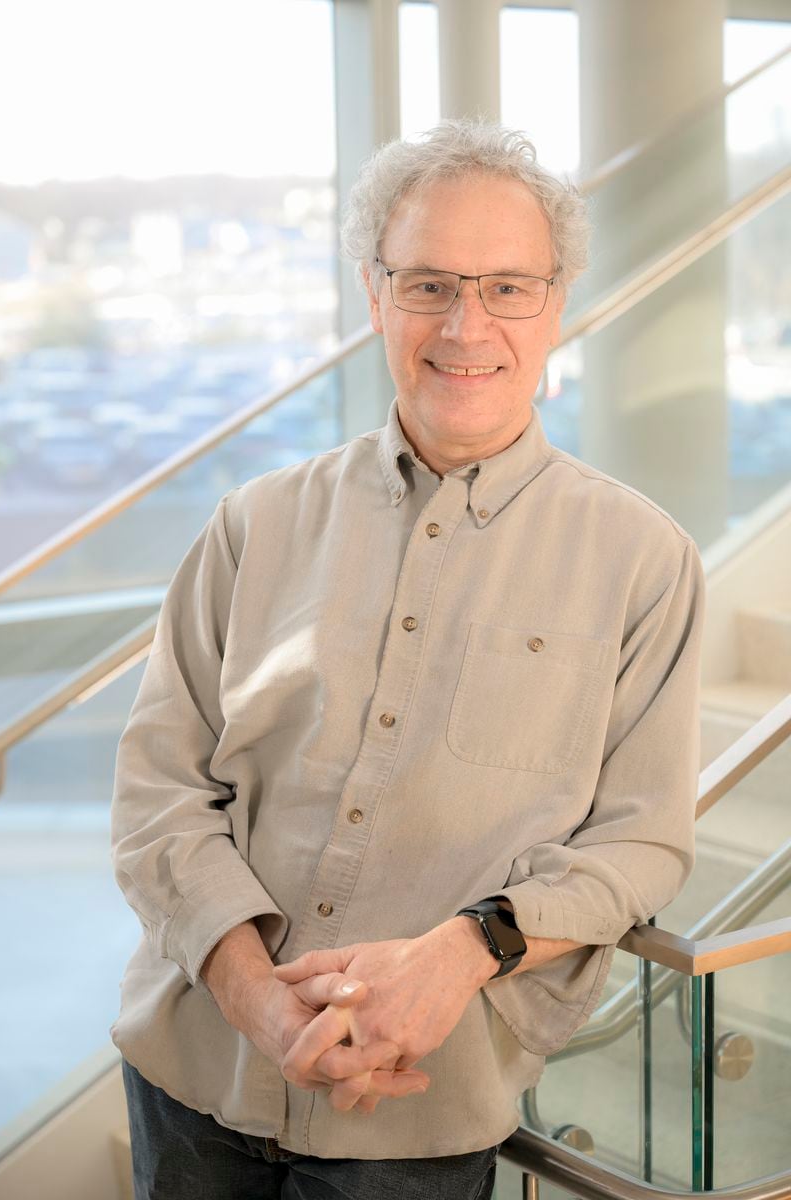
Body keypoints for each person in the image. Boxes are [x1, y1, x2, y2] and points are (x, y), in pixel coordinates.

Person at [110, 118, 706, 1199]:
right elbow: (158, 794)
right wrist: (252, 994)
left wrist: (464, 952)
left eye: (506, 287)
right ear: (372, 294)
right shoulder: (254, 524)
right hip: (192, 1073)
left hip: (415, 1116)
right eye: (426, 282)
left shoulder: (642, 561)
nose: (464, 323)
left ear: (556, 303)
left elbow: (642, 841)